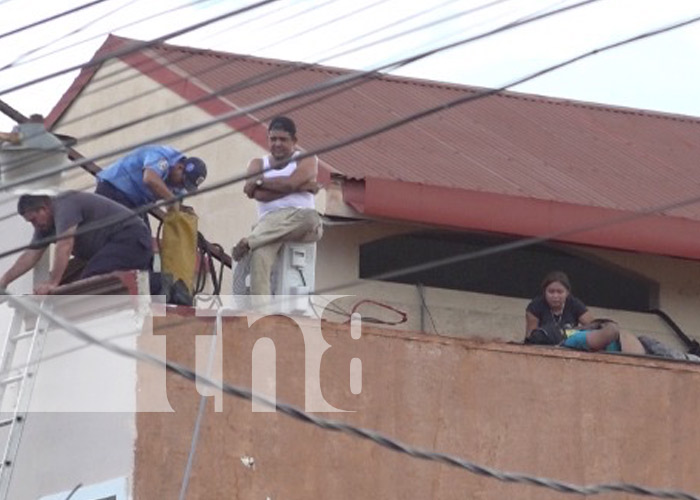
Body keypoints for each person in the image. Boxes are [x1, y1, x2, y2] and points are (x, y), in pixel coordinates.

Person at [232, 116, 322, 295]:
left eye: (283, 139)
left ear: (294, 141)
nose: (277, 143)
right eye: (273, 139)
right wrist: (302, 186)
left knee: (312, 218)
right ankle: (261, 314)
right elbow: (259, 195)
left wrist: (260, 182)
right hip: (269, 223)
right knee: (259, 258)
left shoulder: (307, 159)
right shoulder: (257, 163)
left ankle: (251, 241)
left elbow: (263, 188)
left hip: (299, 220)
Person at [0, 191, 153, 295]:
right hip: (112, 247)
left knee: (90, 281)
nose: (34, 225)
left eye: (34, 219)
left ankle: (166, 285)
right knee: (71, 284)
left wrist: (53, 282)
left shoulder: (64, 204)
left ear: (44, 208)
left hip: (131, 238)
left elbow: (65, 244)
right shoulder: (45, 226)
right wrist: (4, 281)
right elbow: (31, 255)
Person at [95, 145, 207, 212]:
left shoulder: (177, 183)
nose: (181, 186)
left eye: (185, 186)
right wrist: (173, 201)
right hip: (113, 189)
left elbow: (172, 206)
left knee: (142, 243)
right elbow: (150, 179)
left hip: (133, 203)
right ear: (179, 167)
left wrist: (182, 210)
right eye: (183, 182)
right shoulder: (163, 156)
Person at [525, 271, 594, 342]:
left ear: (567, 293)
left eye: (560, 292)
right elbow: (530, 337)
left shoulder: (575, 304)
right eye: (551, 292)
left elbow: (593, 327)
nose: (555, 296)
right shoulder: (535, 306)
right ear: (544, 292)